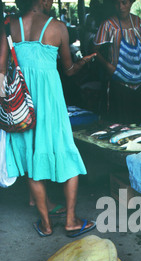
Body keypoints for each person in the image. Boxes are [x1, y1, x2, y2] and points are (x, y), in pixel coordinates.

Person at [0, 0, 97, 237]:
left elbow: (2, 67)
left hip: (22, 103)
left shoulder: (10, 25)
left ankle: (45, 224)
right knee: (66, 152)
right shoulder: (58, 28)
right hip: (50, 102)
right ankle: (71, 221)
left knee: (31, 158)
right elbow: (69, 70)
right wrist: (82, 62)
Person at [93, 0, 141, 124]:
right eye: (117, 3)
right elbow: (94, 51)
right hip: (118, 84)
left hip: (139, 84)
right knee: (120, 124)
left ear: (131, 3)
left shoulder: (137, 21)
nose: (121, 7)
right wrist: (108, 67)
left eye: (124, 3)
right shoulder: (108, 25)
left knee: (140, 124)